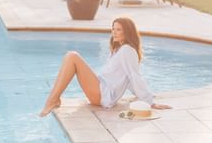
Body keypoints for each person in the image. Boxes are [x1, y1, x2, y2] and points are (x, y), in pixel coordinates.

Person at [39, 17, 171, 117]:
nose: (114, 32)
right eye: (113, 29)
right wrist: (138, 94)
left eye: (119, 29)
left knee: (72, 56)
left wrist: (148, 101)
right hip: (101, 91)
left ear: (128, 31)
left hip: (103, 95)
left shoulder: (127, 50)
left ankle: (52, 100)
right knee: (71, 56)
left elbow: (134, 75)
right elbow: (128, 79)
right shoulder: (118, 50)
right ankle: (54, 99)